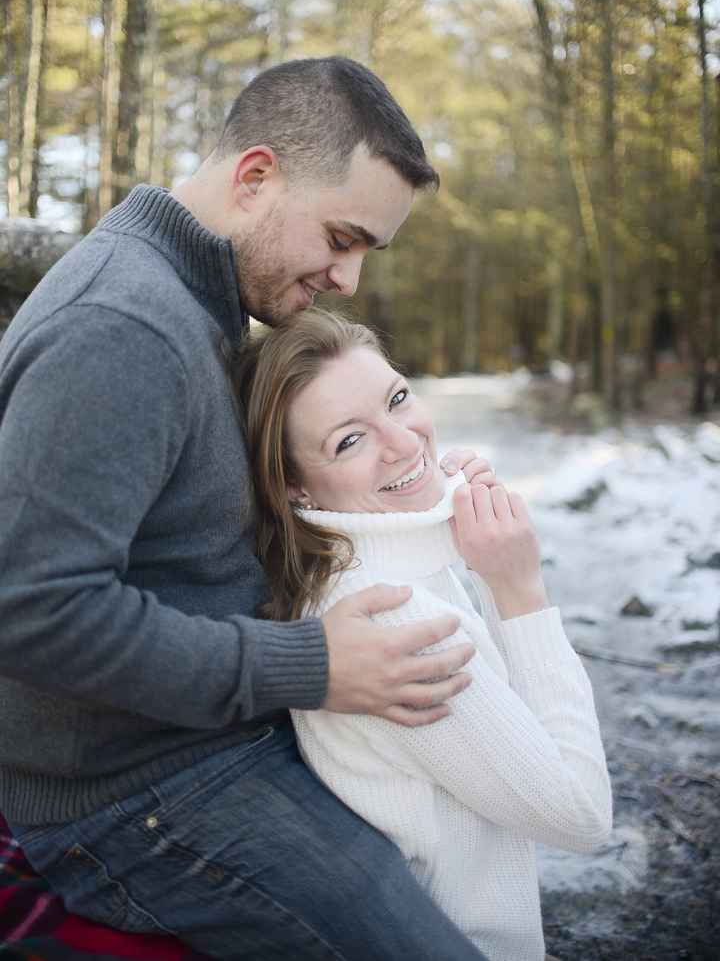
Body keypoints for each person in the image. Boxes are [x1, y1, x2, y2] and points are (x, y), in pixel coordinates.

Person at [0, 57, 489, 960]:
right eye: (341, 237)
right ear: (256, 176)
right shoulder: (124, 326)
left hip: (214, 737)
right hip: (139, 794)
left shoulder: (198, 298)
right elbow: (33, 611)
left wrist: (426, 502)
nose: (348, 279)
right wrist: (311, 665)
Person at [235, 308, 613, 961]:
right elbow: (581, 816)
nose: (404, 442)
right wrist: (518, 589)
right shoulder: (391, 617)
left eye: (397, 399)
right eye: (350, 441)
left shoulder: (370, 569)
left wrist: (473, 550)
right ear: (294, 488)